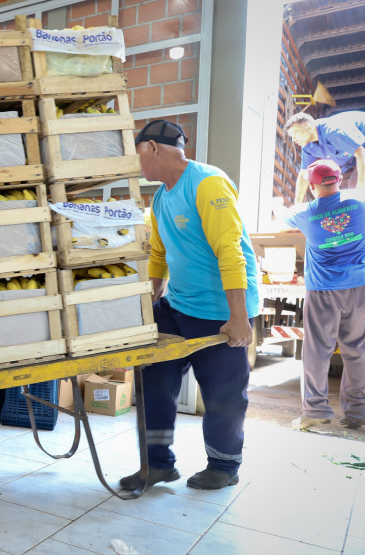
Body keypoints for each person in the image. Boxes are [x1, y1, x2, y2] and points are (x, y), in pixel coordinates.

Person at [119, 120, 260, 492]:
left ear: (152, 147)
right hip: (178, 304)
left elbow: (231, 252)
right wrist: (152, 299)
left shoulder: (207, 182)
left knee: (223, 394)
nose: (138, 165)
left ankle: (224, 466)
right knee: (153, 382)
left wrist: (239, 317)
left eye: (138, 155)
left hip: (220, 310)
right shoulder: (162, 196)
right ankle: (158, 464)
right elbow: (160, 254)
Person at [279, 160, 365, 430]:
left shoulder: (304, 212)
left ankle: (316, 410)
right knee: (357, 351)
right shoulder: (361, 200)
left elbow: (282, 220)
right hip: (359, 287)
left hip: (323, 289)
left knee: (317, 351)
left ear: (313, 184)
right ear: (340, 179)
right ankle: (356, 413)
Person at [284, 111, 365, 214]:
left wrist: (361, 192)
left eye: (296, 133)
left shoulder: (333, 131)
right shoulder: (308, 146)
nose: (293, 139)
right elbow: (304, 174)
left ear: (309, 126)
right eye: (291, 136)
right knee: (337, 191)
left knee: (356, 189)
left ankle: (363, 217)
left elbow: (363, 155)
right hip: (356, 154)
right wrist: (298, 205)